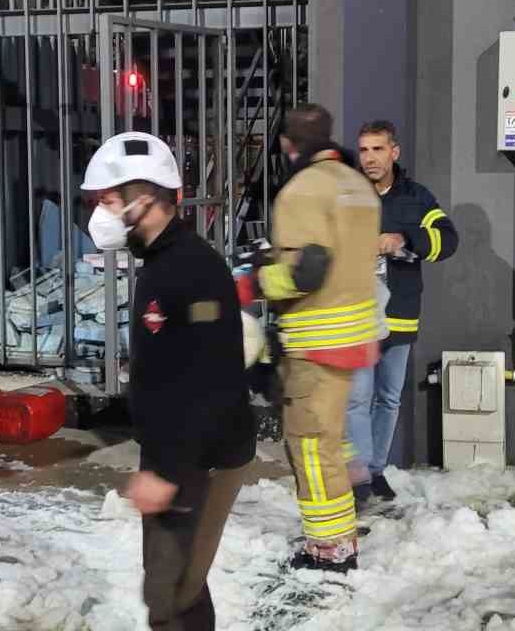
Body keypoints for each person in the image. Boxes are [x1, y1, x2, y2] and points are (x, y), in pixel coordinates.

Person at [83, 131, 254, 629]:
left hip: (199, 458)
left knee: (171, 592)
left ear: (147, 201)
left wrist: (166, 470)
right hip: (181, 454)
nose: (102, 214)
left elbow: (208, 380)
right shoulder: (161, 265)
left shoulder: (189, 269)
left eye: (110, 201)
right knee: (177, 586)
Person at [237, 103, 381, 572]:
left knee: (311, 447)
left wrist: (258, 280)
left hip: (316, 339)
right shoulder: (358, 186)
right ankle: (348, 506)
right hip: (354, 334)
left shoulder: (301, 190)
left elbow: (307, 271)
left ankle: (330, 550)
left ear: (287, 143)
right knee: (331, 439)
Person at [346, 119, 457, 506]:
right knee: (357, 399)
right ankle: (358, 477)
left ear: (394, 152)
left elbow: (448, 240)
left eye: (378, 149)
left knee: (388, 398)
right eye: (363, 149)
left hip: (401, 314)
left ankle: (375, 472)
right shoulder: (348, 194)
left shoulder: (416, 197)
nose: (369, 158)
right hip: (358, 316)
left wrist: (405, 239)